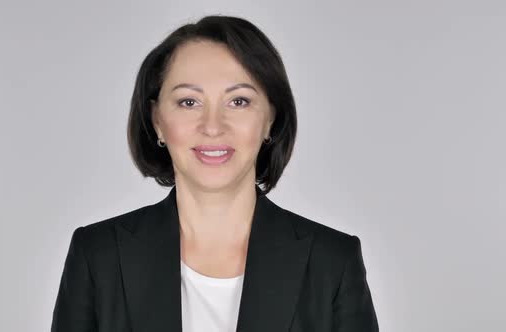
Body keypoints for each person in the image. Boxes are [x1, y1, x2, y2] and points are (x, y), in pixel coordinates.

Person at [51, 15, 379, 332]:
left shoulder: (332, 262)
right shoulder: (98, 256)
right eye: (188, 102)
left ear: (270, 119)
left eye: (238, 101)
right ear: (156, 120)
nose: (212, 126)